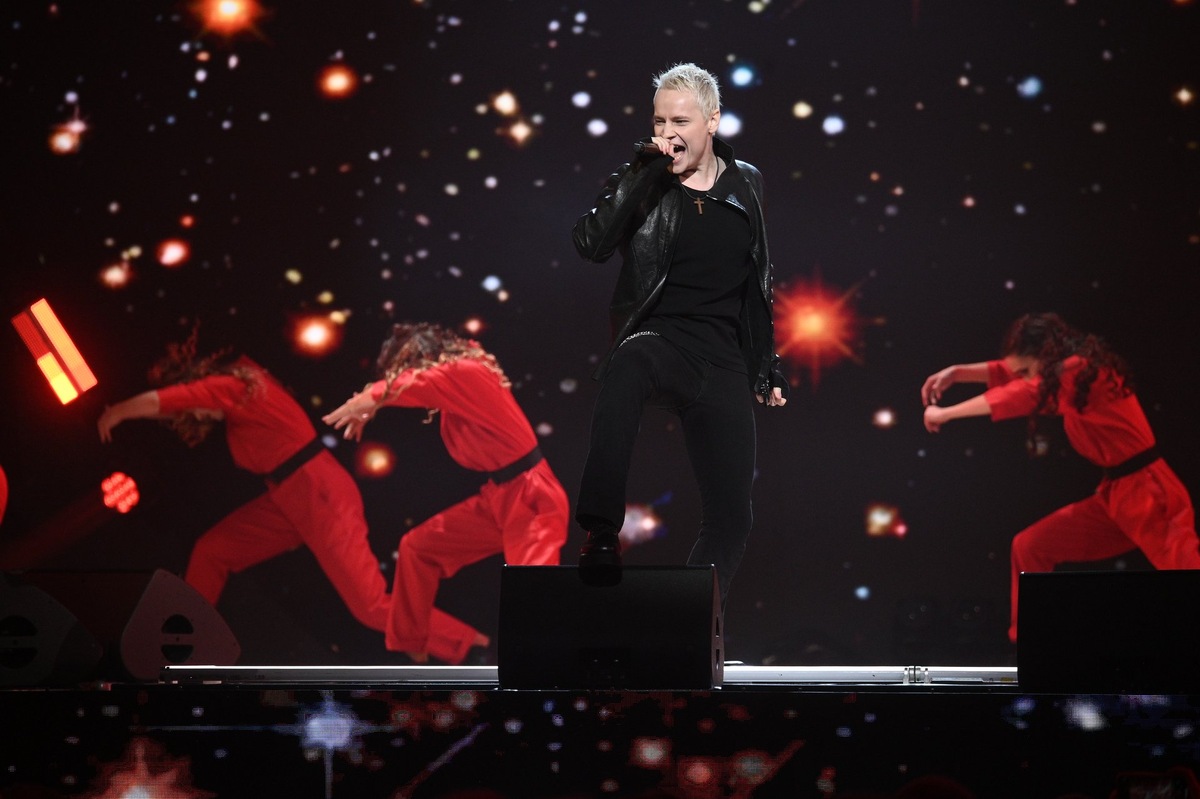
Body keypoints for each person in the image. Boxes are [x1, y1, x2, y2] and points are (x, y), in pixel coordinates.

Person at [570, 62, 789, 610]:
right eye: (659, 121)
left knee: (732, 517)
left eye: (681, 122)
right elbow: (591, 244)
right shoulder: (641, 178)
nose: (668, 133)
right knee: (626, 366)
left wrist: (765, 363)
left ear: (712, 121)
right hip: (661, 341)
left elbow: (757, 279)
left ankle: (688, 622)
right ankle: (601, 532)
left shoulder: (748, 182)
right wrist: (643, 173)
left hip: (722, 360)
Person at [921, 312, 1200, 643]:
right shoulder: (1067, 376)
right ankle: (1027, 646)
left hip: (1148, 491)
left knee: (1187, 576)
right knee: (1031, 547)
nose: (1021, 378)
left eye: (1026, 371)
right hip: (1115, 496)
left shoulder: (1079, 371)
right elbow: (1014, 375)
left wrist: (946, 413)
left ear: (1046, 357)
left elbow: (1022, 393)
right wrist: (959, 373)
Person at [97, 329, 392, 637]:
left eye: (195, 404)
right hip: (289, 497)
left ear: (200, 382)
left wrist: (118, 412)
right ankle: (188, 636)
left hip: (317, 492)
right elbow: (181, 404)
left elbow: (170, 400)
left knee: (370, 607)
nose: (197, 414)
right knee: (212, 552)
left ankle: (426, 638)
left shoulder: (234, 387)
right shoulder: (241, 397)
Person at [322, 322, 569, 665]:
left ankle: (556, 668)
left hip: (531, 496)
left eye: (404, 367)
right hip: (499, 496)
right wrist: (374, 401)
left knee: (532, 593)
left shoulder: (467, 372)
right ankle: (413, 643)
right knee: (418, 548)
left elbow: (418, 382)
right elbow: (421, 384)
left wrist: (370, 399)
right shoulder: (455, 385)